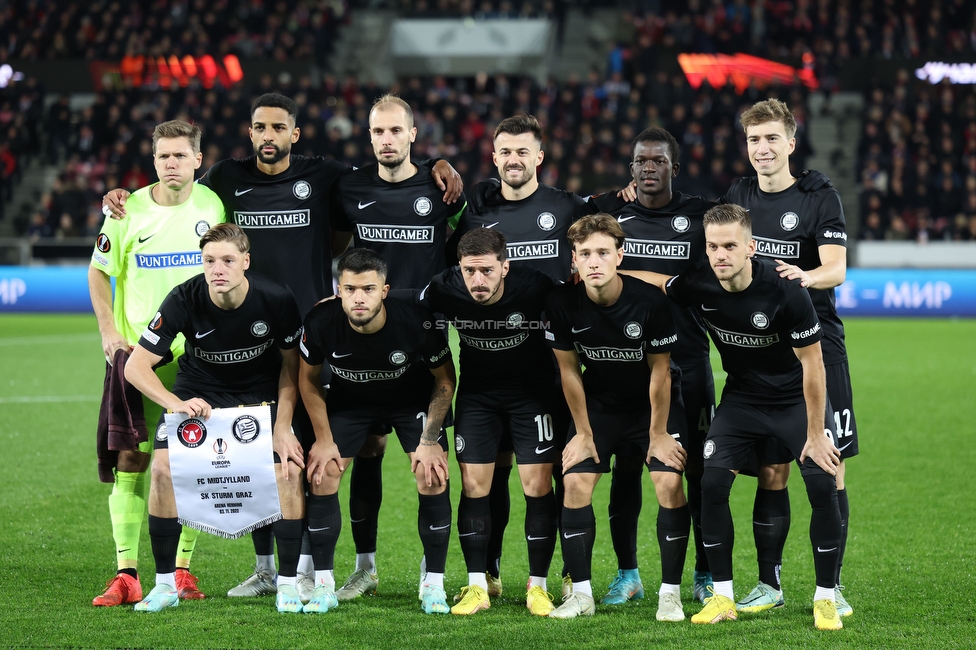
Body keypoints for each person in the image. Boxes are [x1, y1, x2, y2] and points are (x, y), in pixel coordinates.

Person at [104, 93, 462, 602]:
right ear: (249, 133)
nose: (267, 135)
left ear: (294, 133)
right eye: (258, 127)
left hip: (314, 334)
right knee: (260, 459)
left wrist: (437, 164)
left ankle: (317, 572)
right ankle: (268, 568)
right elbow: (175, 193)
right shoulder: (225, 179)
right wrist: (124, 196)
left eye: (278, 127)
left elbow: (386, 170)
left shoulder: (324, 175)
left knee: (322, 456)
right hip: (249, 329)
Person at [640, 203, 844, 631]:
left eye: (730, 246)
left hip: (793, 400)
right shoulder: (701, 284)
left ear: (750, 247)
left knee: (822, 481)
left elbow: (813, 364)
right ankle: (723, 596)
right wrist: (607, 274)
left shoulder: (786, 291)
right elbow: (662, 283)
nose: (720, 255)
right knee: (711, 482)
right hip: (742, 401)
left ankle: (827, 596)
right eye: (713, 246)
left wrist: (814, 433)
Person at [450, 114, 625, 598]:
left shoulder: (565, 207)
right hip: (484, 369)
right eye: (505, 151)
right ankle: (485, 573)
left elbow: (602, 226)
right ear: (494, 156)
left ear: (539, 158)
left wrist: (624, 194)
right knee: (487, 476)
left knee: (541, 478)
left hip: (548, 372)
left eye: (522, 152)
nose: (513, 160)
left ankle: (554, 575)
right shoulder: (476, 210)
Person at [123, 223, 307, 614]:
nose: (217, 269)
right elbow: (135, 368)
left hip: (258, 395)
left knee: (286, 472)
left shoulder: (276, 298)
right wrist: (173, 402)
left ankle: (288, 586)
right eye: (209, 261)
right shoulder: (183, 298)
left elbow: (293, 369)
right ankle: (164, 586)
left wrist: (283, 427)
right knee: (162, 470)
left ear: (246, 261)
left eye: (227, 260)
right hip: (200, 393)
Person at [722, 98, 856, 617]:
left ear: (791, 143)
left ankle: (832, 587)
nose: (762, 149)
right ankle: (769, 584)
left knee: (829, 464)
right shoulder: (739, 194)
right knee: (772, 470)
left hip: (819, 346)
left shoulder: (819, 195)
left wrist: (802, 276)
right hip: (763, 353)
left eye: (772, 138)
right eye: (754, 140)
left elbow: (836, 269)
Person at [329, 95, 466, 601]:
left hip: (422, 348)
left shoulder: (440, 189)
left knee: (430, 469)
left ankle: (433, 581)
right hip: (359, 347)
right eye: (378, 132)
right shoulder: (350, 186)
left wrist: (441, 166)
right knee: (365, 452)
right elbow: (330, 236)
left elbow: (462, 250)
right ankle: (365, 568)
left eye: (395, 131)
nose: (386, 140)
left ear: (413, 134)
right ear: (370, 137)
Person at [88, 119, 224, 607]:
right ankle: (127, 573)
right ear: (154, 162)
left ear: (196, 160)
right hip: (138, 359)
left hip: (198, 359)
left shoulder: (213, 205)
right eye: (163, 156)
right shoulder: (127, 211)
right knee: (131, 458)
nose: (172, 163)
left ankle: (182, 570)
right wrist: (109, 331)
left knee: (193, 462)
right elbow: (99, 272)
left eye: (180, 155)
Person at [297, 248, 456, 615]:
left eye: (368, 288)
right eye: (350, 289)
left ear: (385, 290)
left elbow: (445, 380)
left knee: (432, 476)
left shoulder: (417, 321)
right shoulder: (321, 320)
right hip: (351, 403)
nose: (358, 297)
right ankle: (325, 583)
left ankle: (433, 582)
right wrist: (323, 439)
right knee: (322, 475)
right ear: (339, 290)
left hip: (409, 401)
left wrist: (430, 439)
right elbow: (307, 381)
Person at [544, 214, 685, 620]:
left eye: (603, 252)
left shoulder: (650, 301)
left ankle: (670, 596)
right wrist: (584, 433)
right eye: (585, 253)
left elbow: (661, 370)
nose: (594, 261)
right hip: (601, 404)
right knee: (575, 481)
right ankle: (581, 595)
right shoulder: (562, 302)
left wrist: (658, 434)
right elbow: (569, 370)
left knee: (668, 482)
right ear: (573, 258)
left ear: (619, 255)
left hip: (650, 405)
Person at [420, 228, 560, 617]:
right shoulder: (444, 288)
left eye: (486, 271)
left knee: (537, 484)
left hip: (532, 397)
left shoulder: (536, 287)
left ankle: (538, 585)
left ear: (505, 267)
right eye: (469, 271)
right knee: (474, 485)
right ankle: (478, 584)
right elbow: (412, 310)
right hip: (478, 399)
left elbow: (576, 308)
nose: (477, 281)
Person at [607, 126, 720, 608]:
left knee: (695, 472)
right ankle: (628, 573)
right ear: (630, 169)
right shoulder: (611, 216)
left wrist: (629, 274)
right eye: (640, 162)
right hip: (627, 367)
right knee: (626, 470)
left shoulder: (699, 217)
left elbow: (699, 283)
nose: (648, 168)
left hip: (688, 364)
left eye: (657, 161)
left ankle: (704, 572)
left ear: (674, 166)